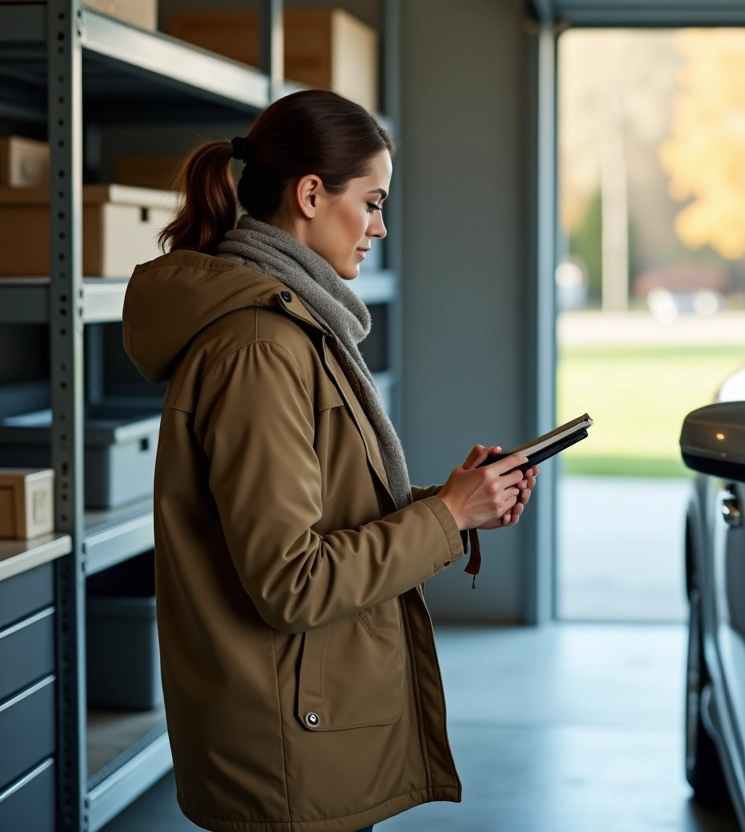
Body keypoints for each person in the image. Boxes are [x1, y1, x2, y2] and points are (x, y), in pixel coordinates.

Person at [121, 89, 538, 832]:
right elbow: (291, 581)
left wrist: (457, 500)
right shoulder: (260, 345)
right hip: (287, 753)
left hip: (300, 733)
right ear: (311, 194)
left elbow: (318, 509)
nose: (380, 227)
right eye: (372, 202)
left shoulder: (291, 325)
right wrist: (445, 517)